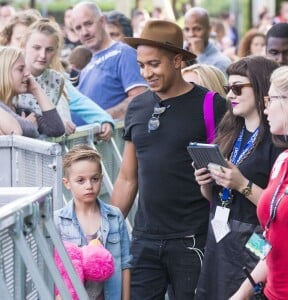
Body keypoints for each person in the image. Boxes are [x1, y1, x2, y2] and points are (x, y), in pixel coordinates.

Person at [111, 19, 227, 299]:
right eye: (141, 65)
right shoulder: (137, 107)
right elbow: (128, 177)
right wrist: (107, 229)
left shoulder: (211, 104)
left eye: (154, 64)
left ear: (177, 60)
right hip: (144, 239)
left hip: (193, 240)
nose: (146, 73)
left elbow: (230, 171)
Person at [194, 56, 285, 300]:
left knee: (248, 292)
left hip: (256, 236)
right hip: (220, 232)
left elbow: (280, 208)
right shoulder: (229, 132)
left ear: (260, 88)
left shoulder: (278, 140)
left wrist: (241, 184)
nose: (230, 95)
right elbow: (214, 198)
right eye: (227, 89)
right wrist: (205, 183)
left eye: (237, 88)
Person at [230, 64, 288, 300]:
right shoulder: (283, 161)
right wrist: (241, 294)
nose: (265, 108)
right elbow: (273, 241)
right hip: (271, 293)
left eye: (270, 99)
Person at [54, 144, 131, 300]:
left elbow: (125, 264)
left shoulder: (114, 216)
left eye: (94, 179)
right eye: (80, 180)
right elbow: (54, 269)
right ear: (67, 183)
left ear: (101, 179)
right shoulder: (57, 221)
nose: (89, 186)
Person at [15, 18, 114, 139]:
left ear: (56, 50)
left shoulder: (57, 79)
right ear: (23, 46)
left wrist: (104, 119)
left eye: (49, 49)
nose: (42, 55)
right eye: (36, 48)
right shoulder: (9, 75)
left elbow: (79, 101)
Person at [71, 2, 147, 120]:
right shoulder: (87, 64)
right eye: (78, 28)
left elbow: (140, 98)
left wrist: (102, 119)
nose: (84, 32)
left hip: (108, 136)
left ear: (102, 21)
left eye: (88, 24)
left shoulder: (123, 52)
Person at [0, 46, 64, 138]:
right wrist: (30, 126)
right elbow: (26, 129)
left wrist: (36, 90)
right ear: (3, 73)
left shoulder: (22, 111)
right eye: (21, 69)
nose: (27, 73)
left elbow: (57, 129)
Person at [183, 7, 231, 74]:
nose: (191, 34)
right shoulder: (180, 54)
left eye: (197, 29)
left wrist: (199, 55)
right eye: (187, 29)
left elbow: (208, 84)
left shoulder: (221, 62)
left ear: (209, 29)